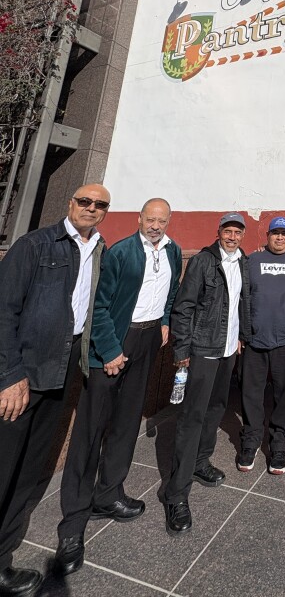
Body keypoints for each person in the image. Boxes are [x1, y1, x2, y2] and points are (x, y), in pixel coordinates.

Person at [56, 198, 182, 571]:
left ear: (167, 221)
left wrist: (165, 321)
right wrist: (110, 349)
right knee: (91, 429)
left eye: (162, 220)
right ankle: (73, 522)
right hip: (114, 341)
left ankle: (109, 493)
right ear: (139, 218)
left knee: (127, 422)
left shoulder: (173, 250)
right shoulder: (122, 252)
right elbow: (99, 304)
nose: (155, 225)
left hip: (147, 341)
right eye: (150, 219)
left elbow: (172, 290)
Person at [0, 185, 109, 597]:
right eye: (85, 201)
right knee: (4, 468)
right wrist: (10, 374)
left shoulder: (101, 250)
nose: (91, 209)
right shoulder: (35, 244)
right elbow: (3, 309)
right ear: (70, 204)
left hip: (64, 372)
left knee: (28, 472)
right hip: (22, 372)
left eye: (100, 205)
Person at [163, 213, 250, 535]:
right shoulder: (203, 261)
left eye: (237, 232)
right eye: (227, 231)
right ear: (219, 233)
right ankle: (176, 494)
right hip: (202, 350)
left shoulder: (243, 262)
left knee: (215, 410)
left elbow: (243, 304)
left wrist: (243, 336)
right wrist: (182, 350)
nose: (232, 236)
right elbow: (183, 307)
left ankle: (200, 462)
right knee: (192, 418)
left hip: (227, 352)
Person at [237, 216, 285, 476]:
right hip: (254, 340)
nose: (279, 237)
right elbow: (242, 296)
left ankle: (279, 445)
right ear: (267, 236)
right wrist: (243, 332)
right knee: (250, 395)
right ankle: (251, 441)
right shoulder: (252, 261)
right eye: (275, 233)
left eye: (284, 233)